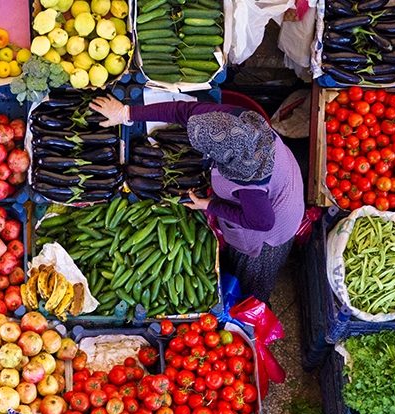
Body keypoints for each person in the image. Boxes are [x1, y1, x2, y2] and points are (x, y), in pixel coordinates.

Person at [89, 95, 305, 304]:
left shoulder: (251, 185)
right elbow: (181, 111)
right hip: (283, 174)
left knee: (253, 269)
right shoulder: (231, 120)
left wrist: (211, 205)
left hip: (277, 219)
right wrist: (126, 113)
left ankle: (253, 308)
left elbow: (262, 222)